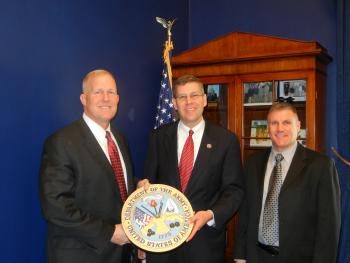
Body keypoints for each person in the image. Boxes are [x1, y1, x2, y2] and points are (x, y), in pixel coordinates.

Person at [39, 69, 148, 263]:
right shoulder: (61, 142)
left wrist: (137, 185)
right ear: (83, 98)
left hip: (120, 254)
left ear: (118, 98)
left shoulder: (120, 138)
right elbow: (56, 206)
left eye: (111, 92)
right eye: (98, 92)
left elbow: (113, 181)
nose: (106, 98)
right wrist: (109, 232)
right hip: (81, 255)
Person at [144, 74, 244, 263]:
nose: (189, 101)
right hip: (162, 242)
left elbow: (234, 190)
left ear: (205, 99)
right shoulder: (158, 138)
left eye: (194, 95)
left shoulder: (226, 141)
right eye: (182, 97)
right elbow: (149, 184)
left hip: (205, 244)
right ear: (174, 103)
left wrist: (210, 215)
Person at [234, 102, 341, 263]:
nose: (280, 129)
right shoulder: (253, 163)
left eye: (286, 122)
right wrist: (240, 254)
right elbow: (245, 212)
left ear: (298, 126)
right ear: (268, 129)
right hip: (256, 255)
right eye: (274, 123)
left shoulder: (321, 166)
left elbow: (328, 226)